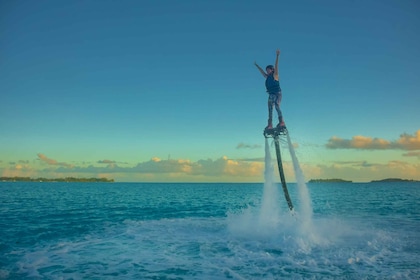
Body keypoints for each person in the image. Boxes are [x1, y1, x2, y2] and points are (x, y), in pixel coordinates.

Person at [254, 49, 285, 130]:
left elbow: (276, 66)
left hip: (276, 93)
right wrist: (257, 66)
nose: (267, 71)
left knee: (276, 106)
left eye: (268, 69)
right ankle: (271, 124)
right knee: (271, 108)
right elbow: (262, 72)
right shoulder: (267, 77)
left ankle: (281, 122)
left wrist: (277, 56)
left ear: (272, 70)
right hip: (273, 94)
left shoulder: (275, 75)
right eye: (266, 70)